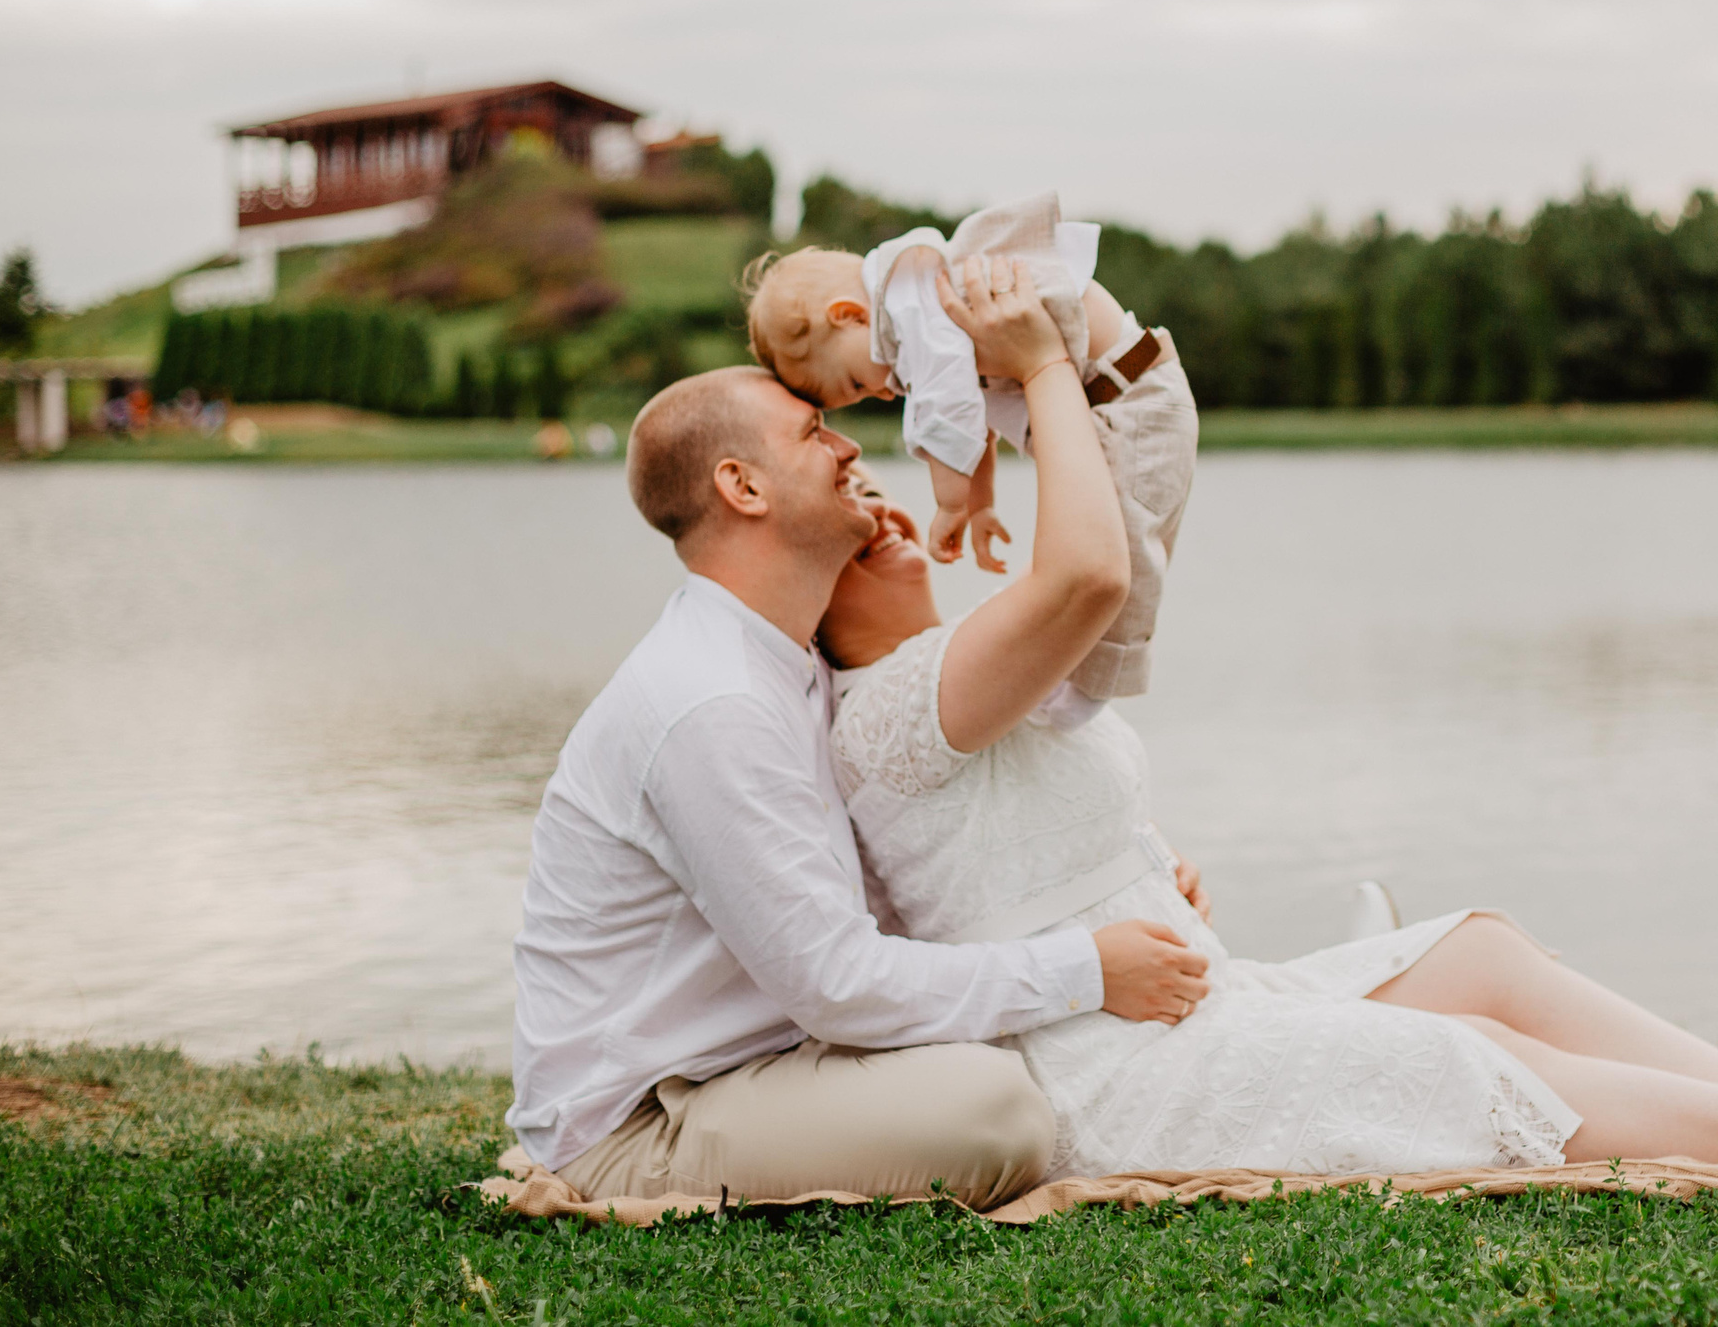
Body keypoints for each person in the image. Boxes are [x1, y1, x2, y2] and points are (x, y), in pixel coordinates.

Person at [826, 255, 1718, 1179]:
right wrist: (1039, 369)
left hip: (1189, 997)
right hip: (1118, 1071)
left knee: (1474, 951)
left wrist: (1086, 331)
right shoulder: (888, 709)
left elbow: (1128, 534)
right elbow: (1085, 577)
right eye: (854, 513)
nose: (882, 505)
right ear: (816, 609)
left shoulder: (962, 662)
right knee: (1468, 1060)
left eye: (879, 488)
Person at [503, 363, 1210, 1210]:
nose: (847, 446)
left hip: (773, 1065)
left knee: (1029, 1056)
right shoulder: (710, 700)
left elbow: (883, 891)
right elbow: (836, 979)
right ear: (742, 485)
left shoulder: (790, 664)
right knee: (1001, 1109)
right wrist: (1086, 967)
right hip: (644, 1121)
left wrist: (1117, 891)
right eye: (812, 432)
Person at [742, 190, 1194, 704]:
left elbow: (948, 409)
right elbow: (973, 418)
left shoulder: (913, 309)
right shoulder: (917, 305)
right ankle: (1075, 674)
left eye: (855, 383)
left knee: (1127, 550)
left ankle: (1091, 692)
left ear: (850, 315)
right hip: (1122, 400)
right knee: (1118, 544)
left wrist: (950, 504)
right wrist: (981, 505)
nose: (882, 391)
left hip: (1131, 401)